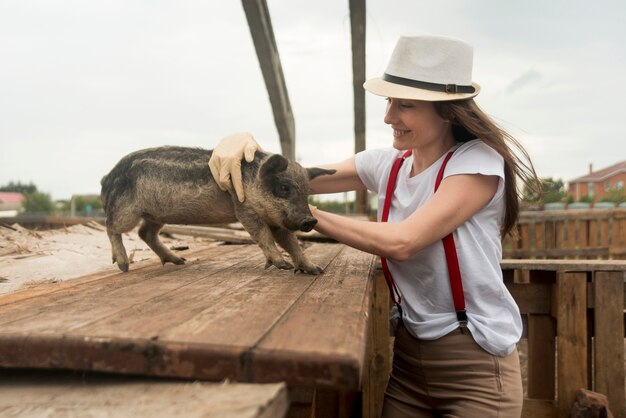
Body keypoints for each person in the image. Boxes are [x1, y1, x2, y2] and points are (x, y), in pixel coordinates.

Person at [209, 35, 538, 418]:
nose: (388, 117)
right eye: (389, 102)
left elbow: (404, 241)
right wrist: (246, 146)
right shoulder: (389, 164)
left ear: (448, 112)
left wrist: (302, 215)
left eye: (405, 105)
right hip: (409, 365)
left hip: (476, 369)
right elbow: (294, 178)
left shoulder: (477, 164)